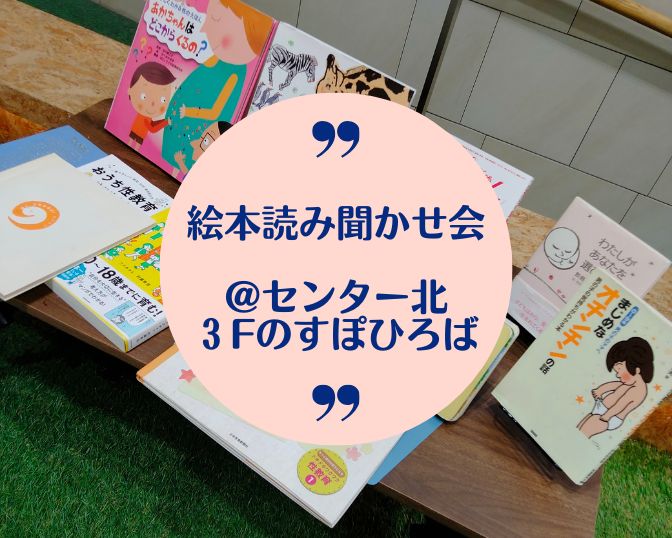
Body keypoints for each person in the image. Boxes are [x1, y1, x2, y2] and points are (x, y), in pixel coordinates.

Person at [161, 0, 273, 177]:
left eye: (215, 18)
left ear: (245, 30)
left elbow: (215, 112)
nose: (204, 28)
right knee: (172, 160)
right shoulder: (218, 58)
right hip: (180, 123)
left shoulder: (234, 73)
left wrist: (188, 111)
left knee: (184, 164)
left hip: (196, 127)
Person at [577, 337, 654, 438]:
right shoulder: (630, 383)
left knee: (583, 432)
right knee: (579, 428)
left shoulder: (638, 390)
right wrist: (600, 390)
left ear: (637, 369)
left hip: (610, 416)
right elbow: (614, 385)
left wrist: (605, 417)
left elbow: (620, 405)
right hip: (602, 409)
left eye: (619, 370)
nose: (617, 375)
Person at [127, 62, 176, 150]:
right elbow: (152, 128)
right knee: (133, 146)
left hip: (137, 134)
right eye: (144, 96)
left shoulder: (145, 118)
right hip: (139, 134)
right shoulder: (145, 118)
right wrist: (165, 122)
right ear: (130, 91)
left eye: (163, 100)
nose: (152, 104)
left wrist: (165, 121)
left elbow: (152, 124)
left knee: (132, 145)